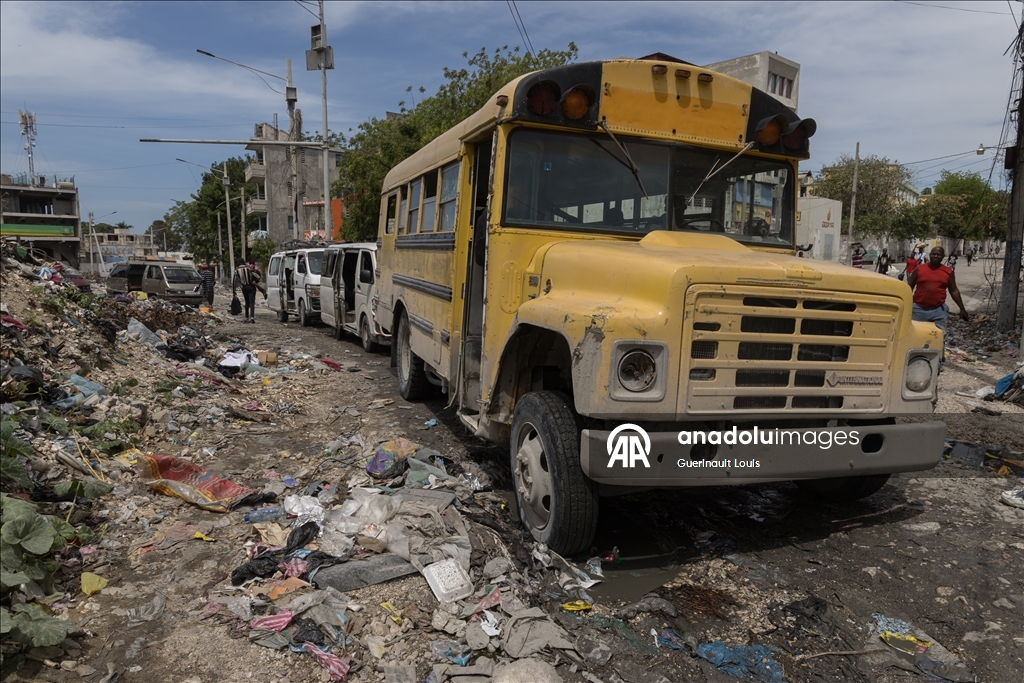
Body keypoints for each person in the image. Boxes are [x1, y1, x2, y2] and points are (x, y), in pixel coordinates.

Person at [907, 246, 969, 367]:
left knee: (939, 337)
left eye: (938, 254)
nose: (935, 256)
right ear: (930, 255)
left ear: (942, 256)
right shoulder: (919, 269)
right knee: (915, 336)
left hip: (938, 310)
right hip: (918, 309)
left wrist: (962, 308)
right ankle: (913, 362)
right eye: (933, 254)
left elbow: (954, 290)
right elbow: (909, 287)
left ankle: (938, 364)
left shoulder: (948, 272)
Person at [233, 256, 266, 324]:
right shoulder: (248, 268)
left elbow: (234, 281)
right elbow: (258, 276)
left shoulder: (237, 270)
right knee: (251, 303)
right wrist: (256, 279)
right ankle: (252, 317)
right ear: (243, 262)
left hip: (244, 287)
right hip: (251, 287)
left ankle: (246, 317)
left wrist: (234, 291)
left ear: (239, 263)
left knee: (246, 302)